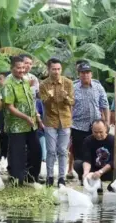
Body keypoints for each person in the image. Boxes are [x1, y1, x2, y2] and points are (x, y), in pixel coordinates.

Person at [3, 56, 42, 185]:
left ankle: (31, 177)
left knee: (36, 150)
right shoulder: (8, 84)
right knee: (17, 153)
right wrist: (26, 117)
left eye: (23, 67)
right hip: (16, 125)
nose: (21, 70)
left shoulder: (26, 81)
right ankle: (16, 180)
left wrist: (37, 117)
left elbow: (31, 101)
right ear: (12, 68)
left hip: (31, 124)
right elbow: (9, 107)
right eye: (18, 68)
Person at [39, 58, 74, 186]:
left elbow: (72, 102)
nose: (56, 72)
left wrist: (66, 97)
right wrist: (50, 97)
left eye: (58, 69)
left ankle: (61, 178)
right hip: (50, 120)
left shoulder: (68, 83)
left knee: (63, 151)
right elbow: (44, 103)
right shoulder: (43, 84)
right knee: (51, 150)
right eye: (53, 69)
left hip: (65, 119)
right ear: (49, 69)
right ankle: (49, 176)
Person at [71, 63, 109, 161]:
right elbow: (69, 106)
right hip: (78, 126)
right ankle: (81, 175)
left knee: (96, 153)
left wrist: (107, 123)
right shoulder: (73, 87)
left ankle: (93, 174)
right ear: (79, 74)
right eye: (82, 73)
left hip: (95, 127)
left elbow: (104, 105)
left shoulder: (98, 87)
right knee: (78, 154)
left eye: (87, 72)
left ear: (91, 74)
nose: (85, 75)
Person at [74, 120, 116, 188]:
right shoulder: (88, 140)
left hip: (106, 170)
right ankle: (88, 182)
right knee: (77, 164)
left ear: (105, 129)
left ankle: (111, 186)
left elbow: (114, 161)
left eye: (101, 132)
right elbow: (87, 159)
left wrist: (101, 171)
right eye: (95, 132)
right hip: (93, 169)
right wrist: (86, 172)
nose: (98, 135)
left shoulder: (113, 140)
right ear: (92, 130)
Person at [0, 71, 9, 164]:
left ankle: (5, 158)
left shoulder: (8, 91)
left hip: (6, 117)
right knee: (0, 137)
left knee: (5, 138)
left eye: (0, 78)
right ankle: (0, 158)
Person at [35, 98, 46, 162]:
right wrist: (40, 122)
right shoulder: (39, 101)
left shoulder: (39, 101)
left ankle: (44, 156)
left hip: (46, 121)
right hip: (42, 121)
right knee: (42, 138)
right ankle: (44, 156)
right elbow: (38, 113)